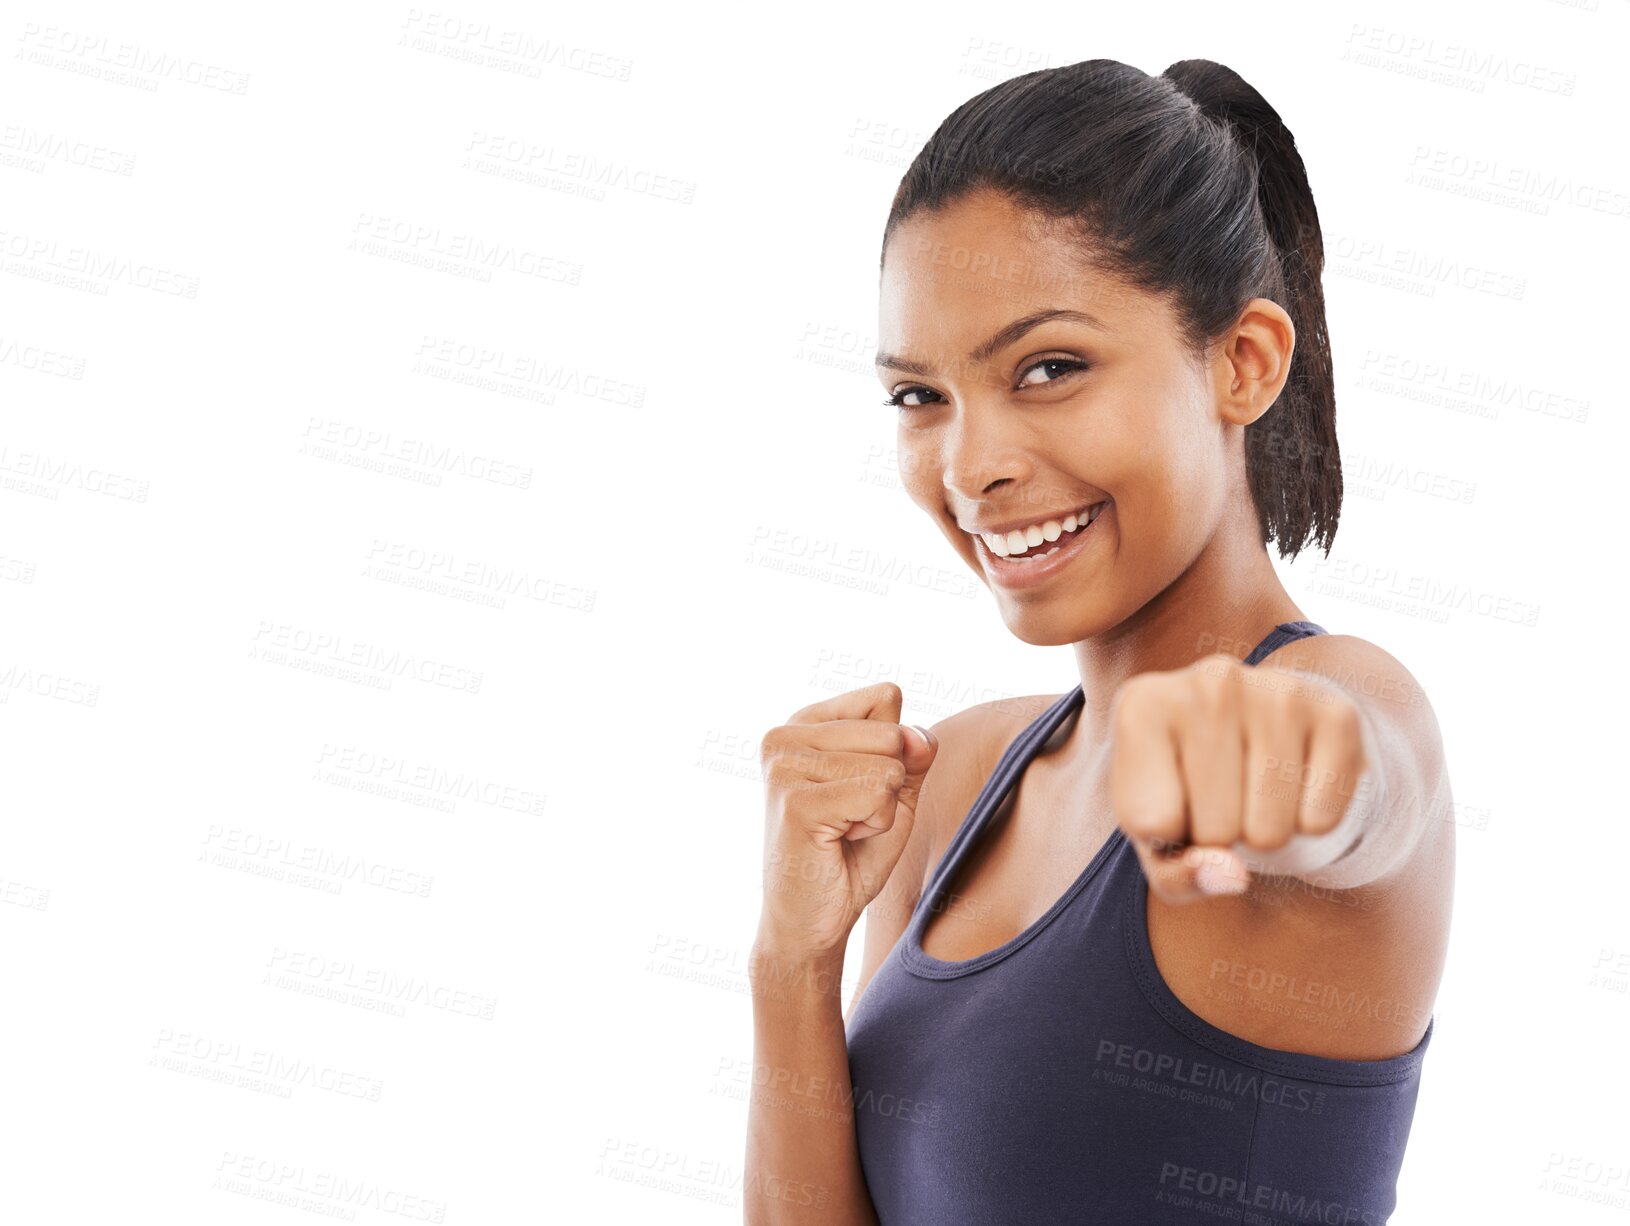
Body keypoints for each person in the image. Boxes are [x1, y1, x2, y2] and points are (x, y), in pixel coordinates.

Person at [746, 57, 1453, 1225]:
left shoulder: (1336, 693)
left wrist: (1279, 759)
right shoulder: (954, 779)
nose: (972, 467)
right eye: (920, 396)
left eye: (1049, 368)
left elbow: (1359, 780)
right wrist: (789, 959)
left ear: (1243, 362)